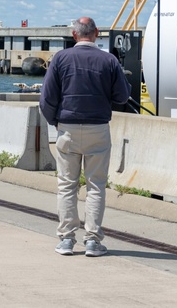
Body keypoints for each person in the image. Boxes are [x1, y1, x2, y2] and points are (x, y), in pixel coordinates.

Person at [40, 17, 131, 258]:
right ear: (96, 34)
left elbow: (47, 98)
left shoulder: (60, 58)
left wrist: (56, 122)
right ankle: (92, 241)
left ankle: (67, 240)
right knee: (96, 186)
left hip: (67, 128)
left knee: (67, 185)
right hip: (98, 128)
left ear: (74, 34)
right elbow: (122, 96)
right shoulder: (109, 60)